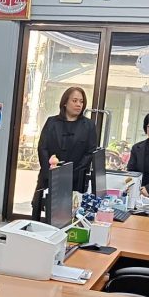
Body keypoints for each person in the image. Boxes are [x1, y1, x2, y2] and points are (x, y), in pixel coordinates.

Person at [32, 87, 97, 220]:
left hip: (75, 178)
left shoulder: (89, 125)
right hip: (49, 175)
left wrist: (71, 173)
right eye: (74, 100)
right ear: (65, 103)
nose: (79, 104)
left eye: (81, 101)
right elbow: (42, 147)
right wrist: (49, 171)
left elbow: (90, 152)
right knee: (41, 207)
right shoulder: (52, 122)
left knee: (68, 215)